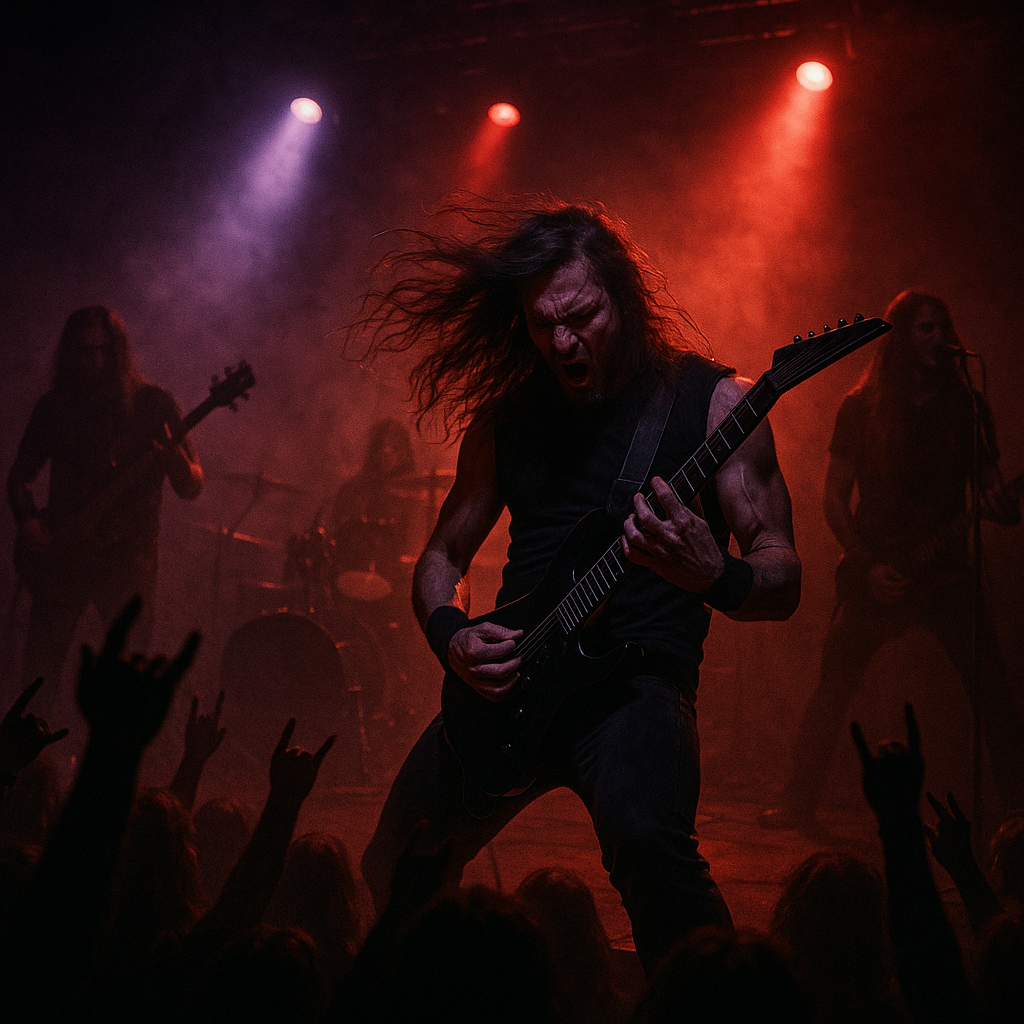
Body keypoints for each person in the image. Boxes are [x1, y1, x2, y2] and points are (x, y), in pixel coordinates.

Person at [355, 202, 801, 975]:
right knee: (391, 864)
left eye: (582, 316)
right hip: (513, 683)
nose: (562, 342)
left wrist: (714, 573)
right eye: (541, 325)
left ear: (623, 300)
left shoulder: (716, 402)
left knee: (652, 853)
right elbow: (442, 555)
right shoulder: (508, 419)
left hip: (633, 688)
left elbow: (783, 575)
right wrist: (449, 636)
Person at [759, 290, 1023, 830]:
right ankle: (797, 801)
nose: (939, 339)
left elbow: (996, 493)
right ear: (901, 338)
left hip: (947, 572)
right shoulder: (862, 407)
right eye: (925, 329)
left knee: (991, 687)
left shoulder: (968, 408)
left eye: (942, 327)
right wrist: (866, 565)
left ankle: (1018, 806)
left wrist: (1004, 507)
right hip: (879, 568)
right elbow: (834, 499)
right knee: (833, 687)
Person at [7, 306, 203, 706]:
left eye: (103, 352)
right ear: (70, 355)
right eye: (84, 352)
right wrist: (28, 522)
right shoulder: (55, 407)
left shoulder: (154, 404)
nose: (94, 361)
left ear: (119, 353)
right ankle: (28, 761)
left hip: (128, 561)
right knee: (40, 677)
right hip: (64, 556)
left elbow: (192, 485)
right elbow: (18, 478)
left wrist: (173, 459)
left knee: (126, 679)